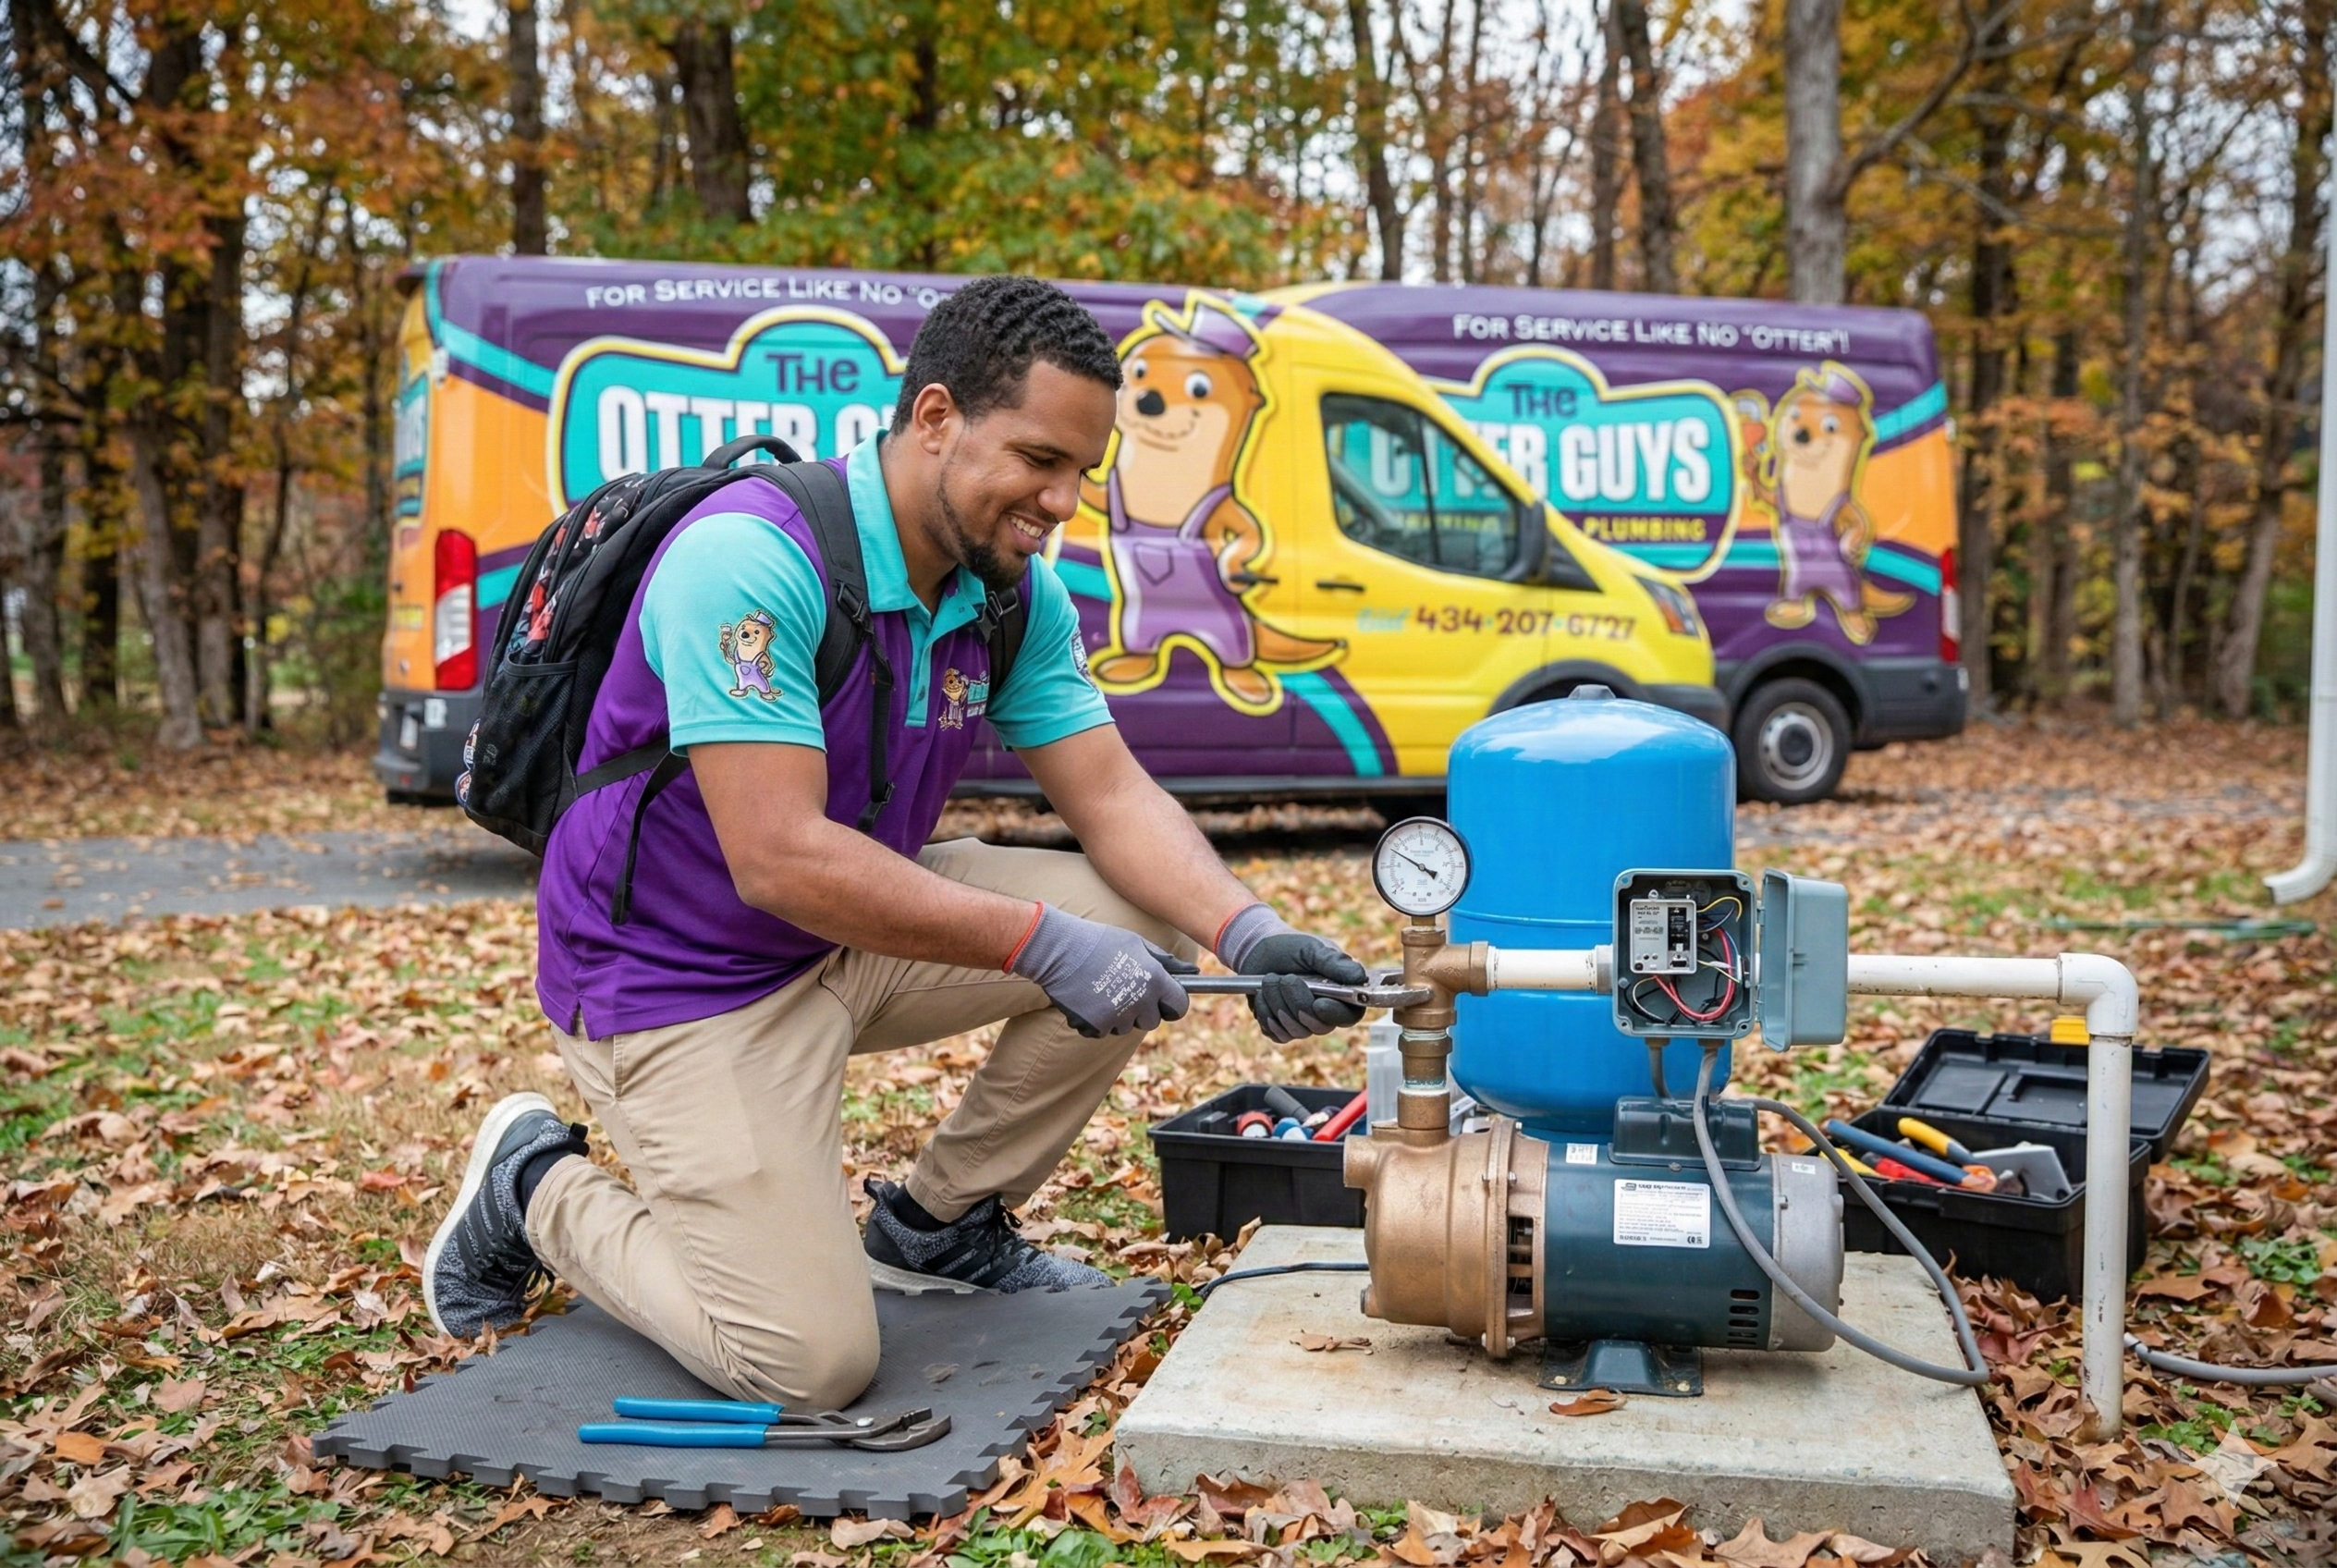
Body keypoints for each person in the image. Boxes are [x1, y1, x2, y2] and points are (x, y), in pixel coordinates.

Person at [422, 277, 1370, 1411]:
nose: (1062, 501)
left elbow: (1111, 797)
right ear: (933, 419)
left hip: (834, 937)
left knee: (1145, 919)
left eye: (1080, 471)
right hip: (673, 980)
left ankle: (936, 1224)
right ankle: (532, 1182)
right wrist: (1034, 941)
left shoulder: (1008, 592)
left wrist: (1246, 930)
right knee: (805, 1363)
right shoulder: (750, 560)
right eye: (1036, 459)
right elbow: (777, 858)